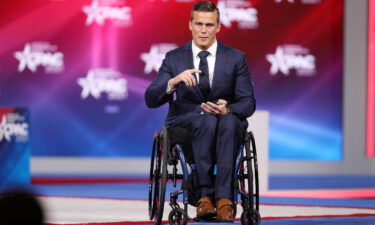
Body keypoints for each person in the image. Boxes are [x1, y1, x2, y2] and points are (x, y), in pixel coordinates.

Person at [145, 1, 255, 222]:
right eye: (199, 24)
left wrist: (229, 108)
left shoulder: (235, 58)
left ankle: (225, 200)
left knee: (228, 122)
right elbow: (151, 98)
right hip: (187, 121)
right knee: (206, 121)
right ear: (190, 25)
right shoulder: (174, 58)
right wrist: (173, 82)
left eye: (209, 25)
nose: (204, 30)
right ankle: (204, 197)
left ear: (218, 27)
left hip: (226, 123)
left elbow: (248, 103)